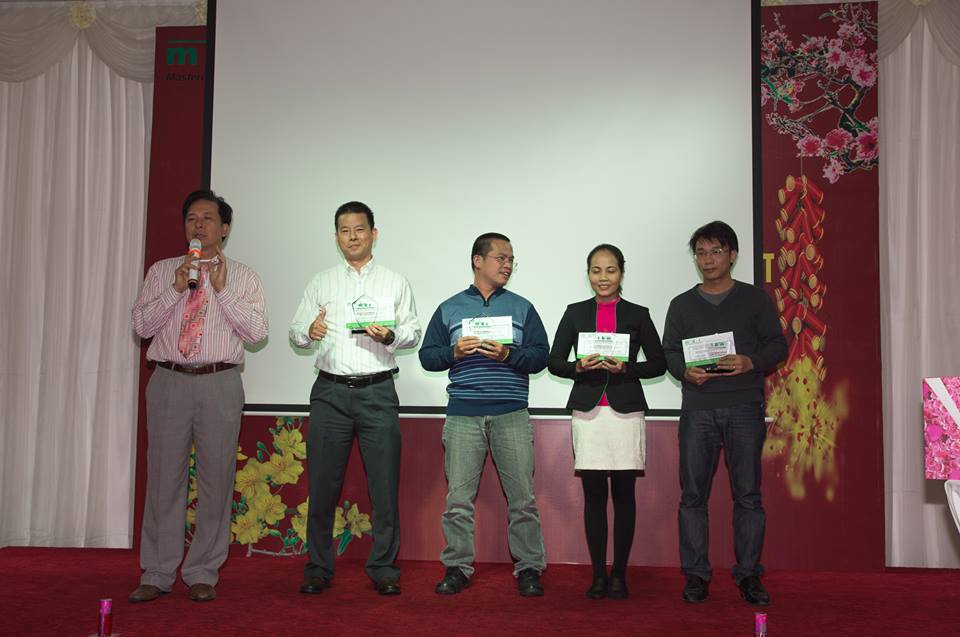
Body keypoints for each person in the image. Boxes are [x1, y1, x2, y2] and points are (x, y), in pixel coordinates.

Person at [129, 189, 268, 603]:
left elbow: (257, 333)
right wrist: (175, 290)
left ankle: (203, 571)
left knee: (216, 480)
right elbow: (141, 326)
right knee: (163, 479)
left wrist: (222, 291)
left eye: (208, 219)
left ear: (224, 229)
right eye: (192, 218)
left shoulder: (244, 277)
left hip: (219, 382)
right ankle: (157, 571)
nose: (199, 225)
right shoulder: (163, 271)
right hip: (169, 380)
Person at [289, 201, 421, 596]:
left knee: (384, 486)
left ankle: (383, 566)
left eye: (359, 229)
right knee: (322, 485)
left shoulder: (395, 282)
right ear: (336, 237)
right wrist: (308, 332)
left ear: (373, 234)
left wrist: (391, 335)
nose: (352, 237)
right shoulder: (321, 282)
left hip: (378, 391)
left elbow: (413, 331)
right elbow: (295, 331)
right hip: (329, 393)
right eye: (345, 231)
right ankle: (318, 567)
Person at [661, 221, 787, 606]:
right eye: (700, 252)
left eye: (716, 251)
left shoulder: (755, 300)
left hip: (744, 407)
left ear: (732, 255)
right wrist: (684, 371)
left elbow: (778, 346)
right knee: (692, 496)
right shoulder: (681, 304)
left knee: (748, 495)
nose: (708, 259)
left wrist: (751, 361)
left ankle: (748, 574)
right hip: (697, 409)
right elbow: (670, 352)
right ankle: (696, 575)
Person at [419, 232, 549, 597]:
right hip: (463, 414)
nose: (507, 265)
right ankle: (457, 567)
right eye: (501, 258)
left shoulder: (523, 308)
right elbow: (427, 356)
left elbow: (541, 355)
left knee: (522, 499)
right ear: (478, 260)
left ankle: (529, 568)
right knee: (458, 501)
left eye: (511, 260)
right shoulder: (450, 308)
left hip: (511, 413)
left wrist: (509, 355)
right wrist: (454, 353)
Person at [547, 244, 666, 600]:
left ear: (622, 273)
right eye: (596, 270)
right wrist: (578, 367)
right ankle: (598, 575)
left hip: (625, 412)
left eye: (610, 270)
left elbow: (659, 363)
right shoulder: (574, 313)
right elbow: (554, 361)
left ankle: (619, 575)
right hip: (588, 412)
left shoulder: (638, 314)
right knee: (594, 497)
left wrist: (626, 368)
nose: (603, 277)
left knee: (625, 496)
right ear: (588, 274)